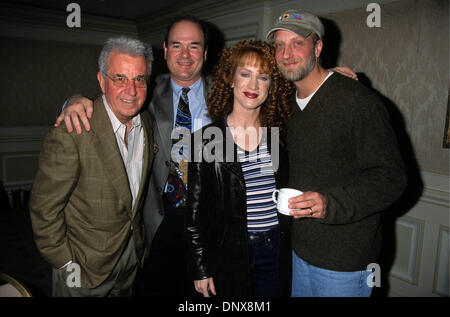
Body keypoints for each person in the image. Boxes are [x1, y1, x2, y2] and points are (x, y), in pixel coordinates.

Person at [53, 16, 356, 296]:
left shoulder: (234, 95)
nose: (185, 55)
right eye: (177, 46)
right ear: (166, 50)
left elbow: (274, 90)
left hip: (228, 226)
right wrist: (76, 100)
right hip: (164, 218)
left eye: (194, 46)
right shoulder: (144, 91)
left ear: (206, 53)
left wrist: (326, 79)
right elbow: (116, 93)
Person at [266, 9, 407, 297]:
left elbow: (391, 178)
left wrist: (330, 203)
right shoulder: (285, 105)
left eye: (297, 43)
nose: (286, 53)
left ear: (317, 47)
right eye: (279, 45)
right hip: (298, 251)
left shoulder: (357, 102)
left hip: (344, 262)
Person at [29, 36, 154, 296]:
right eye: (119, 78)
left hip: (131, 260)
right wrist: (66, 263)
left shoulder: (147, 124)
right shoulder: (73, 132)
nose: (131, 90)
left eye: (139, 79)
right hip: (82, 268)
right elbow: (43, 211)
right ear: (101, 81)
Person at [186, 40, 292, 297]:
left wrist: (334, 75)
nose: (253, 85)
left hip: (276, 251)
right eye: (245, 74)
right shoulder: (205, 140)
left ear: (271, 87)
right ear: (231, 79)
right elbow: (195, 215)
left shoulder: (279, 135)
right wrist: (201, 268)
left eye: (263, 77)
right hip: (231, 255)